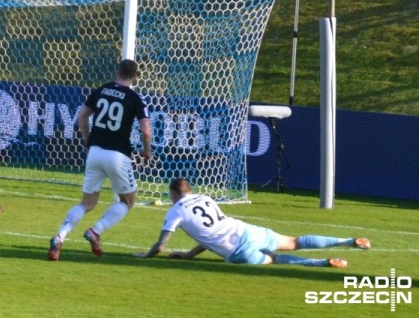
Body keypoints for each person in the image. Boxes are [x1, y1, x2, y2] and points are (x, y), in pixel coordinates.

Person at [133, 178, 370, 268]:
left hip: (237, 252)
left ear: (174, 194)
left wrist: (147, 256)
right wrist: (189, 255)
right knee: (294, 241)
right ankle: (348, 240)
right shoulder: (206, 198)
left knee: (276, 259)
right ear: (190, 190)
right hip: (246, 230)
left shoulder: (175, 211)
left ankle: (324, 263)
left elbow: (162, 245)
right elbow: (212, 231)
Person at [47, 58, 153, 261]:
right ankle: (96, 231)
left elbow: (82, 116)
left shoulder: (102, 90)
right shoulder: (135, 98)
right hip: (118, 155)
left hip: (95, 152)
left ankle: (60, 236)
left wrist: (88, 142)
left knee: (87, 202)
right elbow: (146, 130)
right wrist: (147, 151)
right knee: (128, 201)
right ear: (135, 77)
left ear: (117, 72)